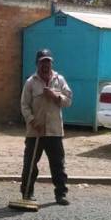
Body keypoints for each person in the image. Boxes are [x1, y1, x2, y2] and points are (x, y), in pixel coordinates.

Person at [19, 48, 73, 205]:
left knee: (58, 165)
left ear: (51, 64)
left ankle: (61, 194)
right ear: (37, 64)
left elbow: (68, 101)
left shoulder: (59, 80)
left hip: (54, 131)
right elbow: (24, 105)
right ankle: (27, 193)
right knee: (30, 164)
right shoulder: (31, 82)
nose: (45, 65)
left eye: (48, 62)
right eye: (42, 62)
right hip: (35, 131)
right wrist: (32, 120)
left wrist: (55, 96)